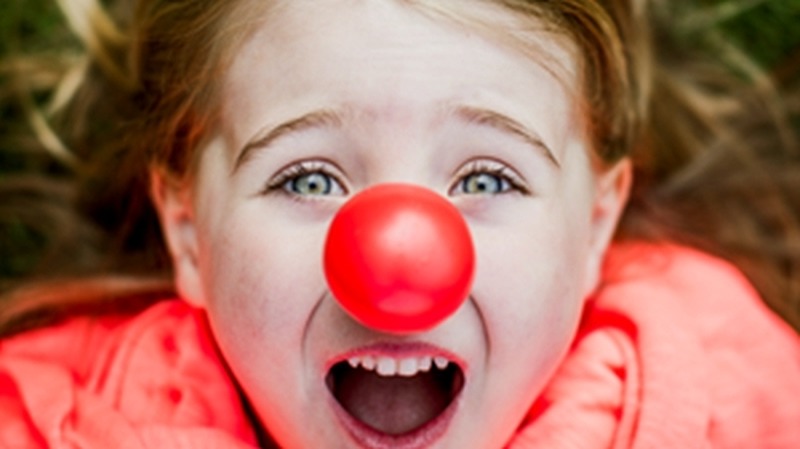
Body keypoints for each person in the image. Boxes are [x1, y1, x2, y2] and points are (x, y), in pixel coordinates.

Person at [1, 0, 799, 448]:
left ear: (594, 230)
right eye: (309, 177)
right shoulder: (36, 422)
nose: (397, 262)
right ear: (188, 234)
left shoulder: (749, 410)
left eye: (486, 177)